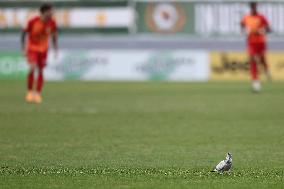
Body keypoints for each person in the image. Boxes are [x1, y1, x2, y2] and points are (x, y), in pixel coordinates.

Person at [21, 3, 58, 103]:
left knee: (41, 70)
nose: (52, 13)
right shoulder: (33, 21)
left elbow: (54, 36)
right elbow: (24, 33)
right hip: (32, 48)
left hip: (44, 49)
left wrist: (55, 49)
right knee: (32, 67)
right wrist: (23, 48)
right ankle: (29, 92)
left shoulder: (52, 23)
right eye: (50, 11)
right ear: (44, 11)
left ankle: (37, 94)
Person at [241, 2, 271, 92]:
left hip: (260, 41)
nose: (253, 8)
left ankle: (266, 70)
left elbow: (269, 29)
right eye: (252, 6)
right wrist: (245, 31)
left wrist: (262, 30)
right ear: (250, 7)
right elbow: (242, 26)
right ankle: (255, 81)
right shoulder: (246, 18)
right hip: (251, 42)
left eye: (255, 6)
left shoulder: (261, 17)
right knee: (252, 59)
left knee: (262, 59)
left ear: (256, 7)